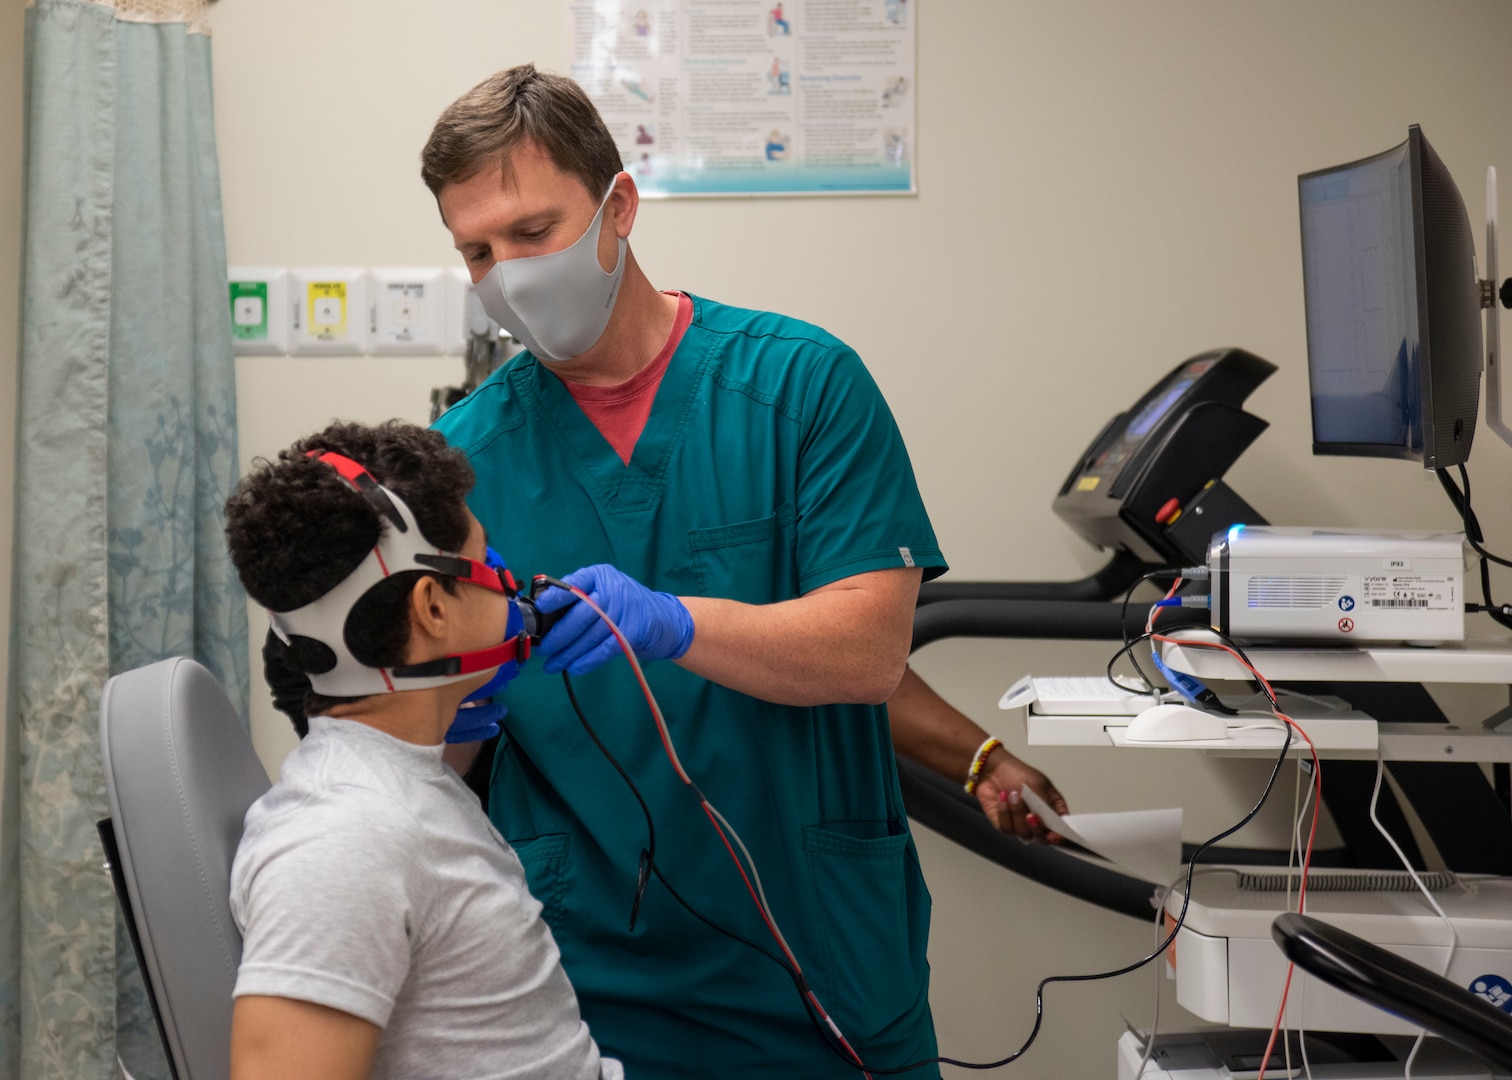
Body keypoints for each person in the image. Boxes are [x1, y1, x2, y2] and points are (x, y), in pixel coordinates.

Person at [224, 420, 622, 1080]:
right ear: (433, 605)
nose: (507, 580)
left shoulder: (393, 783)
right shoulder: (345, 841)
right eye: (487, 558)